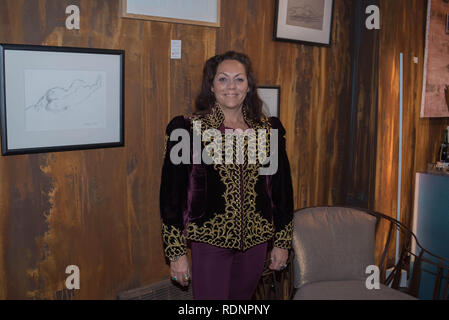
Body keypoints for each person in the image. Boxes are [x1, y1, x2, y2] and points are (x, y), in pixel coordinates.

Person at [160, 51, 293, 300]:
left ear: (249, 86)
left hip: (256, 244)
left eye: (239, 79)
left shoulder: (267, 130)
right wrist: (176, 253)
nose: (231, 86)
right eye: (222, 79)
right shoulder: (188, 129)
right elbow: (171, 197)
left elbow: (281, 191)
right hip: (210, 244)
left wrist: (282, 242)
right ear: (211, 86)